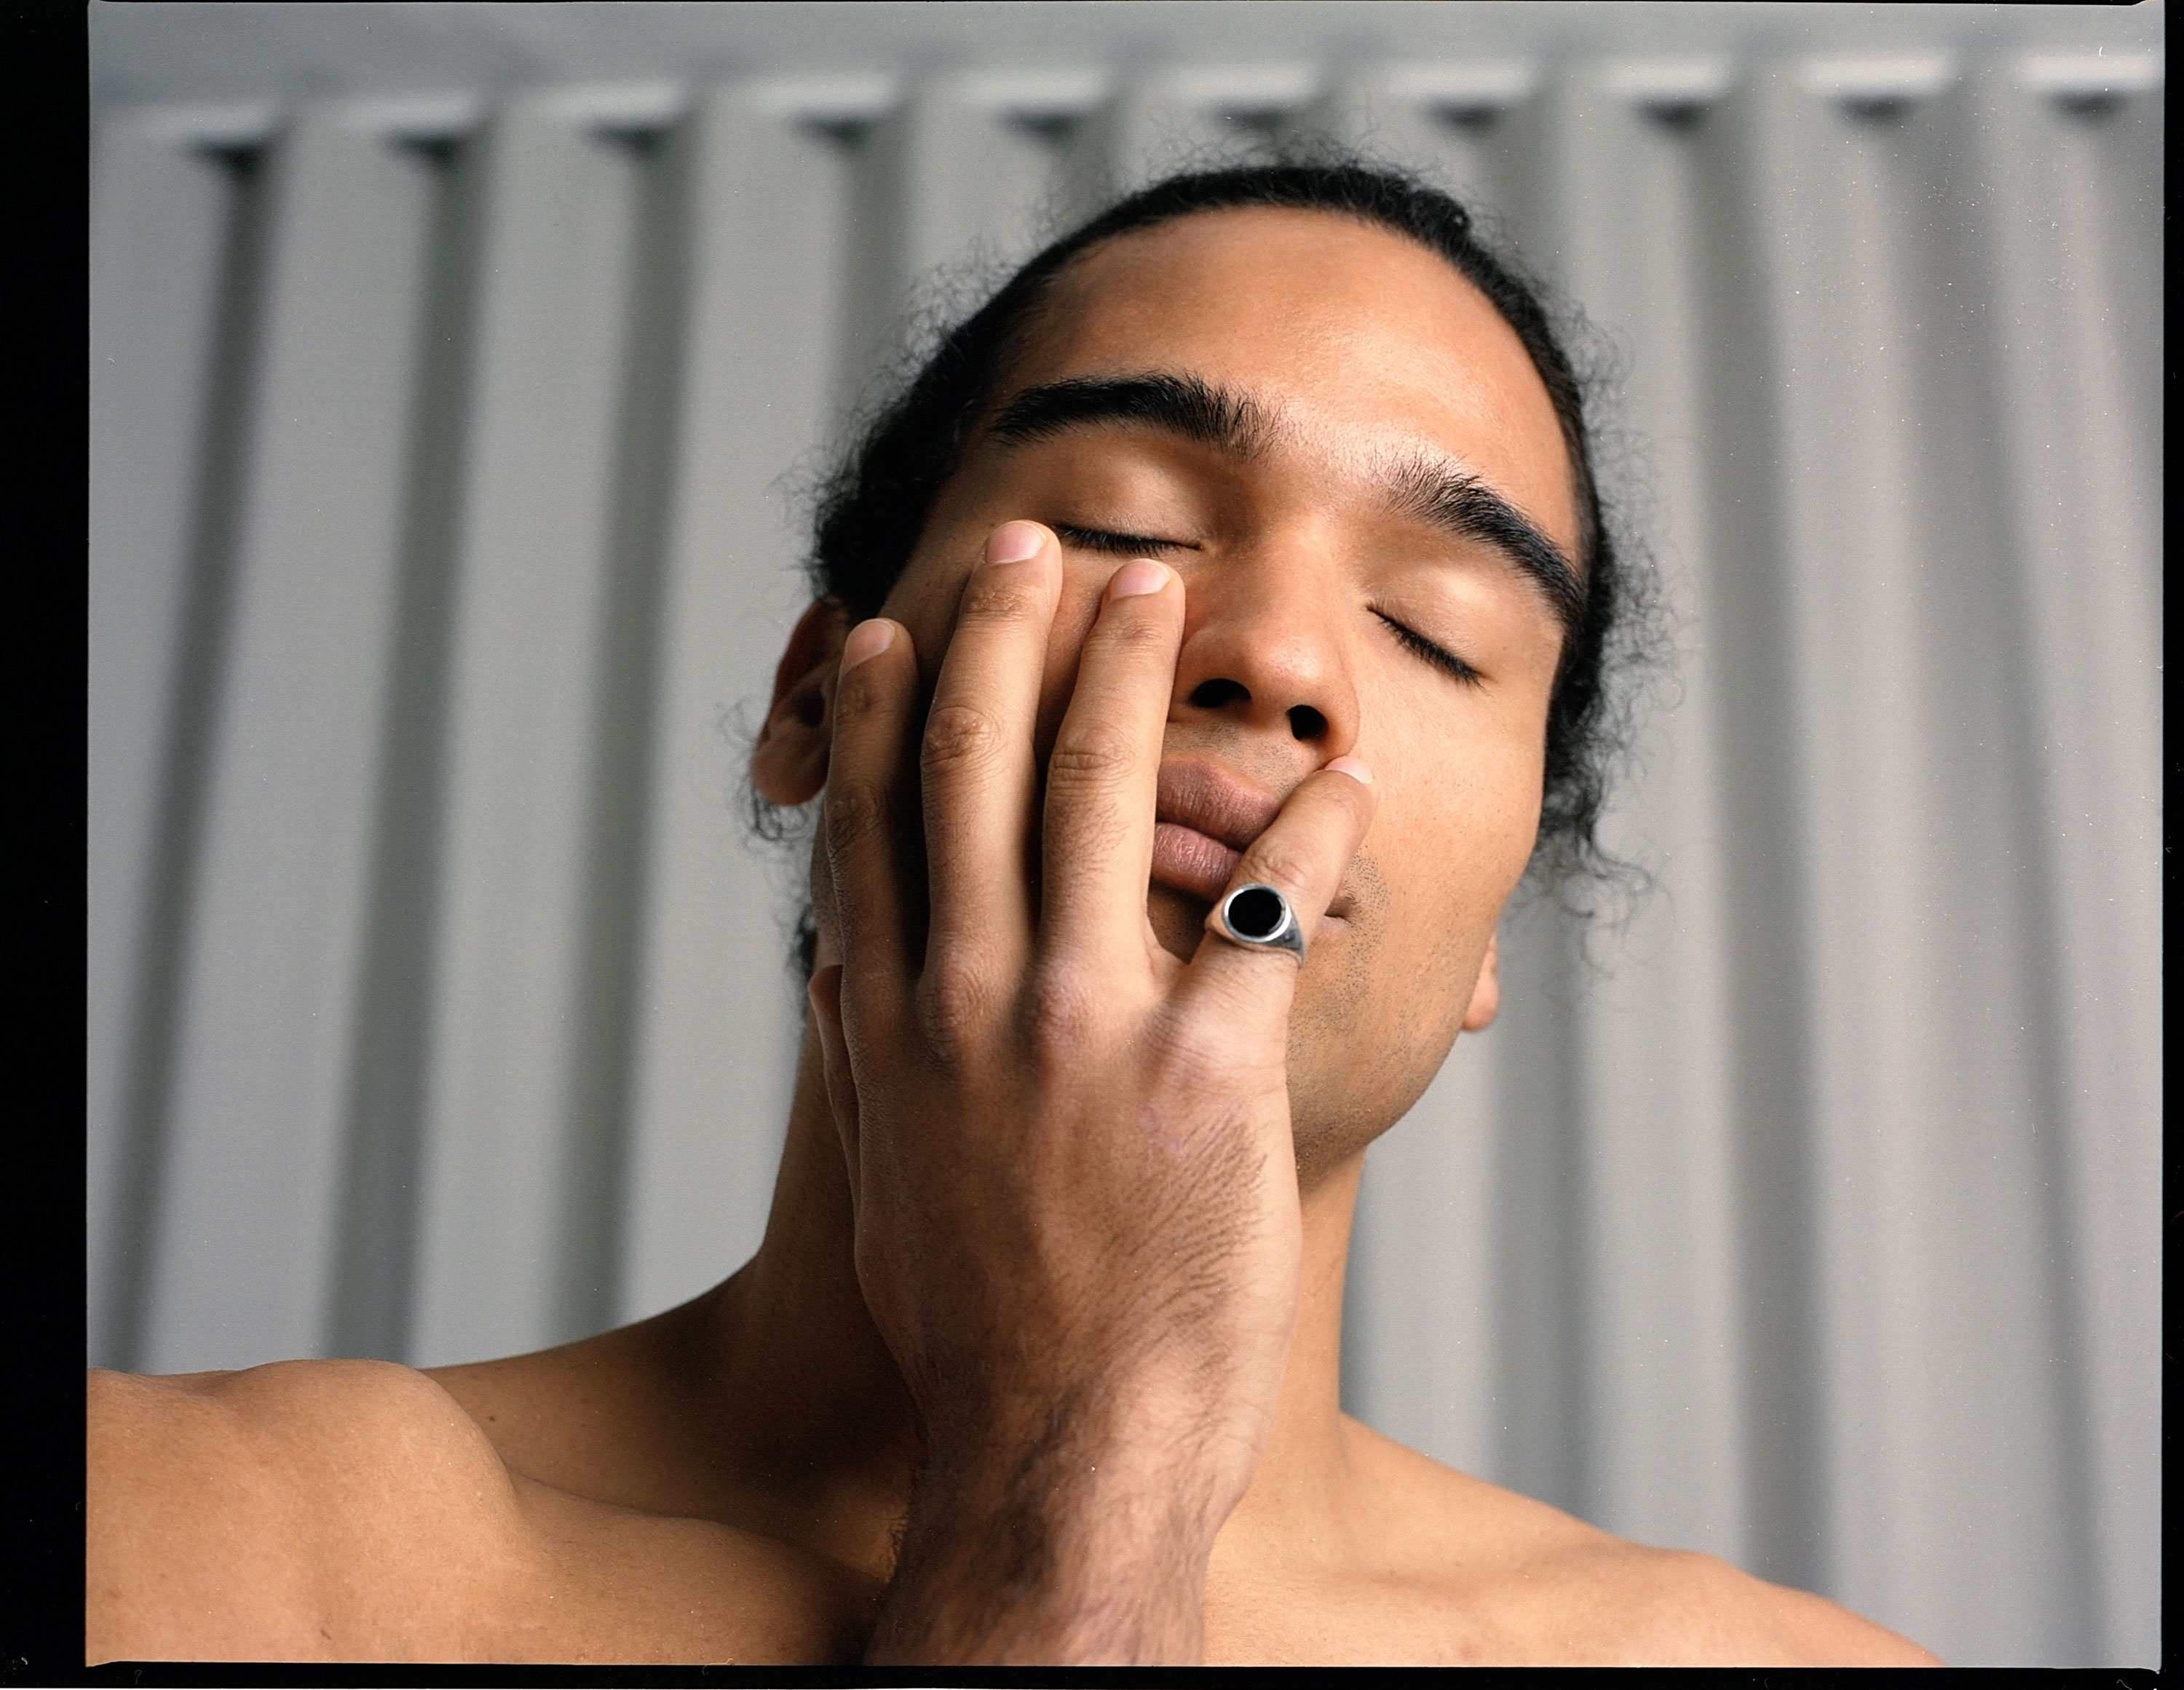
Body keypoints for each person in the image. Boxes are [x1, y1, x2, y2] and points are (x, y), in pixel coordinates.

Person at [86, 162, 1937, 1666]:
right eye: (1129, 522)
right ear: (821, 696)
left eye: (1434, 628)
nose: (1278, 662)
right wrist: (1090, 1457)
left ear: (1494, 923)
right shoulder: (174, 1545)